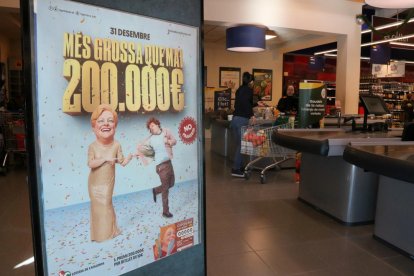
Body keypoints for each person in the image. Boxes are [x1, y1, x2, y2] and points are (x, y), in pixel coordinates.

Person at [87, 104, 132, 242]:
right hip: (94, 183)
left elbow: (122, 161)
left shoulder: (116, 145)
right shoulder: (92, 146)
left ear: (115, 126)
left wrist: (130, 157)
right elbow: (90, 163)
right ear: (94, 127)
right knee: (97, 208)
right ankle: (98, 235)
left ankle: (109, 233)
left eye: (110, 121)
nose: (106, 124)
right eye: (101, 121)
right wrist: (105, 159)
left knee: (106, 204)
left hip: (107, 183)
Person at [136, 117, 177, 218]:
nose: (152, 128)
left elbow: (174, 141)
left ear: (158, 124)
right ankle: (165, 212)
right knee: (166, 189)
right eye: (150, 127)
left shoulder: (166, 132)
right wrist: (138, 153)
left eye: (153, 125)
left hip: (169, 163)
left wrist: (168, 141)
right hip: (160, 167)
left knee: (171, 184)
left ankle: (156, 190)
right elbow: (142, 149)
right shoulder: (150, 139)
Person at [230, 72, 256, 177]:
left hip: (235, 119)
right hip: (242, 120)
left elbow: (238, 104)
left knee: (239, 145)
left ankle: (239, 166)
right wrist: (252, 115)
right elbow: (246, 104)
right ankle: (236, 169)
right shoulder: (249, 91)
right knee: (241, 146)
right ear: (251, 81)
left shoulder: (239, 89)